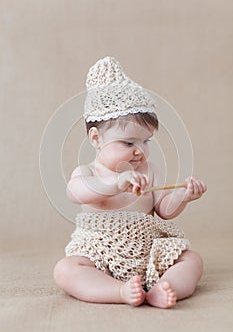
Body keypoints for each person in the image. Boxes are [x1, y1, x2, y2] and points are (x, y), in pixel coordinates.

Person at [53, 56, 207, 308]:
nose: (139, 151)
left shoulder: (151, 170)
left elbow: (165, 210)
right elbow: (76, 192)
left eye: (146, 141)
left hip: (147, 249)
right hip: (100, 250)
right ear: (95, 139)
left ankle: (163, 288)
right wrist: (116, 183)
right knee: (66, 270)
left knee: (192, 260)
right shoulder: (88, 172)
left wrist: (183, 196)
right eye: (128, 143)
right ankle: (119, 291)